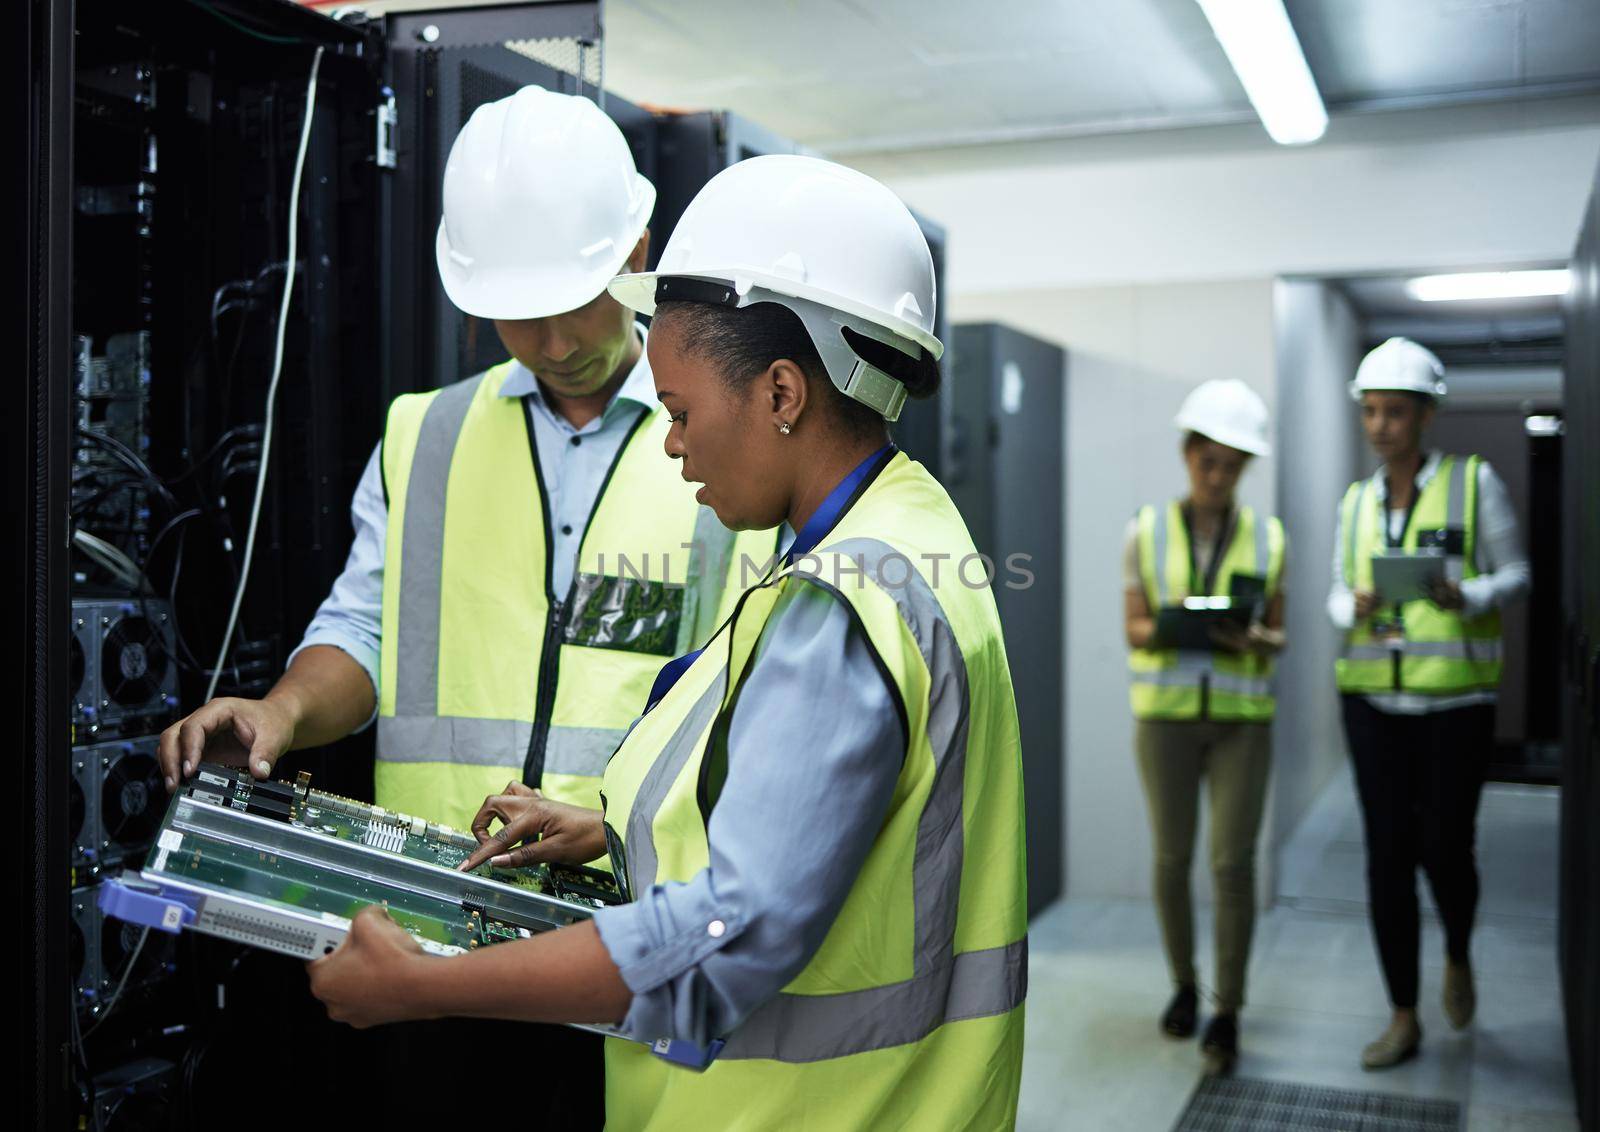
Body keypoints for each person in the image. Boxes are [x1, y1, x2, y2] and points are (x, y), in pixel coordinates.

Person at [306, 154, 1030, 1130]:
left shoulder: (840, 601)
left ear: (782, 394)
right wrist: (617, 831)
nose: (670, 441)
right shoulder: (906, 527)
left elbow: (719, 942)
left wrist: (426, 986)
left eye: (682, 411)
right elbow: (814, 824)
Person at [157, 86, 772, 1126]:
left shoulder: (724, 447)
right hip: (432, 934)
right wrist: (282, 713)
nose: (544, 336)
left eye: (571, 297)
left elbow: (755, 692)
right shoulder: (423, 436)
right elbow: (361, 630)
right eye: (512, 308)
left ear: (639, 246)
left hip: (630, 944)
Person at [1329, 337, 1529, 1069]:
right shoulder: (1355, 504)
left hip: (1456, 703)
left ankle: (1457, 951)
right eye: (1371, 411)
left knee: (1445, 847)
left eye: (1396, 412)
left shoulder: (1475, 486)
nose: (1381, 426)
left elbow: (1518, 574)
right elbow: (1330, 595)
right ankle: (1403, 1014)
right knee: (1386, 858)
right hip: (1372, 701)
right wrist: (1351, 604)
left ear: (1426, 416)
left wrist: (1467, 592)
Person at [1123, 378, 1286, 1070]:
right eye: (1207, 460)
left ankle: (1227, 1009)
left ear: (1246, 468)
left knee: (1232, 865)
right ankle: (1184, 987)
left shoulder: (1269, 537)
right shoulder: (1146, 530)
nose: (1218, 476)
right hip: (1166, 722)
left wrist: (1254, 642)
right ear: (1188, 455)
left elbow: (1280, 635)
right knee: (1171, 859)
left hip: (1242, 722)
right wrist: (1178, 624)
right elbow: (1132, 629)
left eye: (1232, 465)